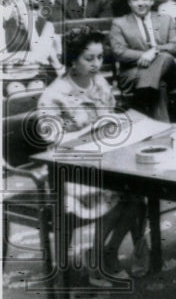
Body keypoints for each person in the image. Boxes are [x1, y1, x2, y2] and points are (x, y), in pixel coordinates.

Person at [37, 28, 149, 285]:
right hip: (69, 169)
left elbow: (110, 117)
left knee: (139, 191)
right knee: (115, 192)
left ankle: (103, 253)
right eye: (89, 58)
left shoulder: (99, 83)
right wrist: (90, 132)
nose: (96, 64)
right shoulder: (54, 95)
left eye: (100, 58)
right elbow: (53, 143)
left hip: (105, 160)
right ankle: (100, 257)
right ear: (73, 59)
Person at [109, 0, 176, 122]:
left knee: (165, 57)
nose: (140, 3)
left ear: (151, 1)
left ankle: (142, 97)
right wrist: (143, 55)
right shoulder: (119, 23)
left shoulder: (165, 20)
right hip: (133, 74)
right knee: (160, 86)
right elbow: (119, 51)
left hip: (169, 73)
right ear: (129, 3)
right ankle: (163, 130)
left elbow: (175, 46)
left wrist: (154, 51)